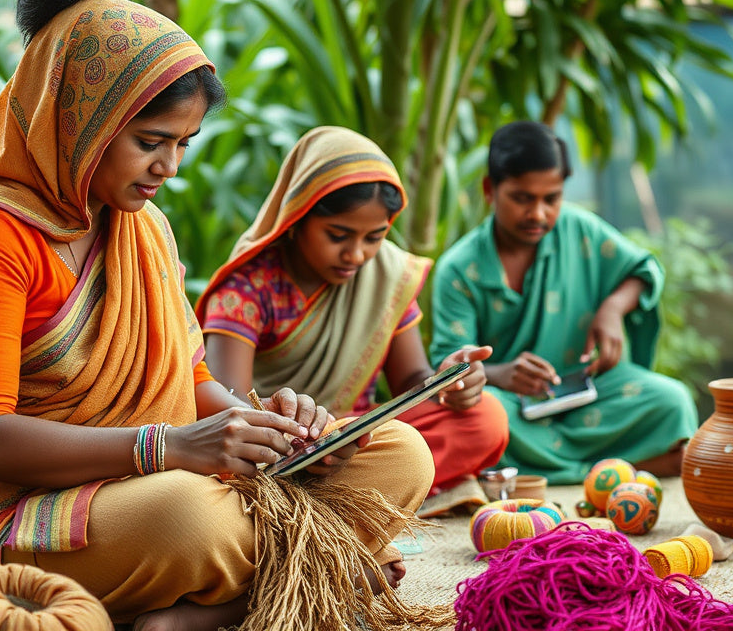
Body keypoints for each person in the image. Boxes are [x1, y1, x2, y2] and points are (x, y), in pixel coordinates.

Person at [0, 0, 434, 631]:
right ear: (79, 121)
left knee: (398, 453)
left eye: (183, 144)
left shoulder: (143, 229)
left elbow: (188, 379)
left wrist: (266, 431)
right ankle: (314, 578)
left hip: (145, 483)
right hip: (1, 508)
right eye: (151, 142)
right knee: (191, 519)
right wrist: (167, 447)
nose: (168, 167)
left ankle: (206, 611)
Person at [197, 126, 509, 506]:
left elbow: (410, 380)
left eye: (374, 237)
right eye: (338, 235)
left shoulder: (387, 276)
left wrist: (446, 384)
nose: (356, 254)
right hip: (281, 445)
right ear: (297, 217)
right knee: (242, 449)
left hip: (356, 434)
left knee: (486, 418)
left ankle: (329, 497)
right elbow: (227, 404)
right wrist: (306, 434)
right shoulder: (247, 288)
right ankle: (360, 494)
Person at [428, 121, 698, 485]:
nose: (538, 214)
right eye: (522, 198)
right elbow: (451, 367)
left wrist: (613, 309)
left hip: (588, 393)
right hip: (512, 408)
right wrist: (499, 374)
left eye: (551, 199)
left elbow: (644, 271)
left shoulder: (581, 230)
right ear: (490, 190)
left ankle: (540, 472)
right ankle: (626, 466)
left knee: (672, 399)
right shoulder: (459, 268)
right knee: (481, 416)